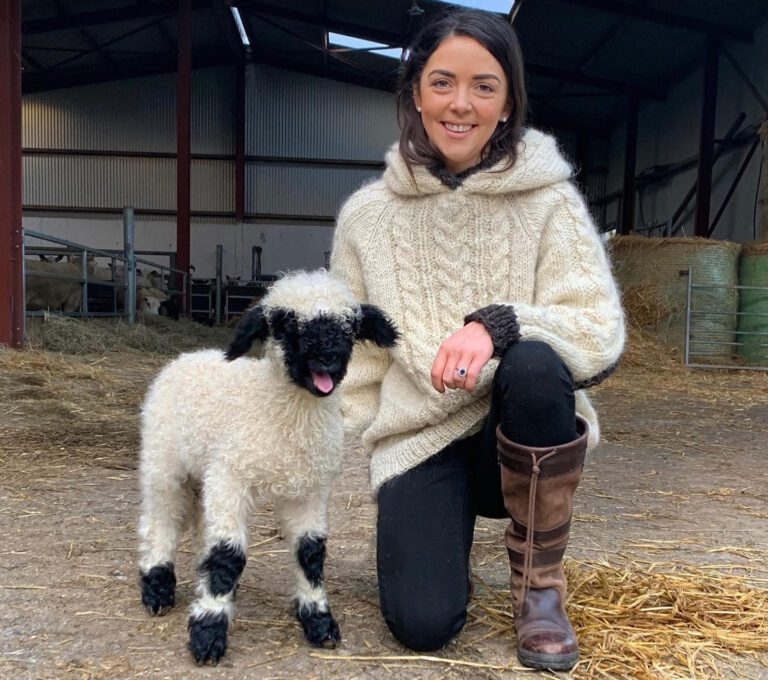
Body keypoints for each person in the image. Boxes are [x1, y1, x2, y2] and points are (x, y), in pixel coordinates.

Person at [330, 8, 624, 672]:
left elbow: (598, 329)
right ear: (415, 93)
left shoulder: (551, 202)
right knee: (422, 625)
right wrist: (359, 431)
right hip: (421, 439)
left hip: (520, 428)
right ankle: (435, 542)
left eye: (484, 86)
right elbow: (358, 355)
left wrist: (498, 326)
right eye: (442, 82)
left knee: (537, 360)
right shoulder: (367, 218)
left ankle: (540, 591)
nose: (460, 103)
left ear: (508, 101)